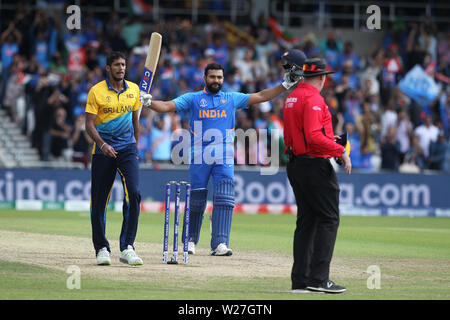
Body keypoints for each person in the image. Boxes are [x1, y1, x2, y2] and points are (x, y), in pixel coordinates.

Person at [139, 53, 303, 256]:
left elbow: (261, 96)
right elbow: (167, 106)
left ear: (223, 79)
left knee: (225, 199)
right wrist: (149, 102)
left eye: (219, 77)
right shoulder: (194, 98)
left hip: (224, 155)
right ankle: (190, 241)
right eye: (212, 77)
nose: (216, 80)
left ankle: (220, 243)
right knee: (197, 199)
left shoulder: (231, 98)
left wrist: (285, 85)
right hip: (199, 155)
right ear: (204, 78)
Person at [282, 57, 351, 294]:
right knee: (329, 219)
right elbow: (313, 137)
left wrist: (332, 143)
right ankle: (319, 279)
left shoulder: (291, 97)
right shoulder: (313, 98)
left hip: (296, 164)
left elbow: (305, 135)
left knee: (307, 222)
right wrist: (339, 150)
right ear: (322, 77)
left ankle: (300, 281)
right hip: (314, 165)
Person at [85, 51, 143, 266]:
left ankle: (128, 246)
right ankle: (101, 248)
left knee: (134, 194)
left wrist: (135, 146)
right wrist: (102, 144)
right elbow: (88, 124)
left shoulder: (134, 90)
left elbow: (136, 120)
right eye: (117, 65)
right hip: (102, 150)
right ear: (108, 67)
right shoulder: (96, 91)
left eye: (124, 65)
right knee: (99, 201)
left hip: (128, 148)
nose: (121, 68)